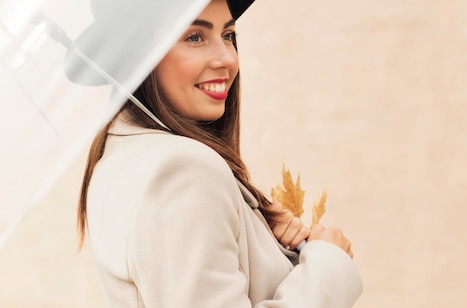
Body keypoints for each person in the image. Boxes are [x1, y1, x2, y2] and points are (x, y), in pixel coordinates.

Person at [73, 0, 363, 306]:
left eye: (228, 35)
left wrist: (256, 229)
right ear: (138, 55)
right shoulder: (181, 170)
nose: (227, 58)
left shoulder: (123, 158)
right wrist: (328, 268)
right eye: (194, 37)